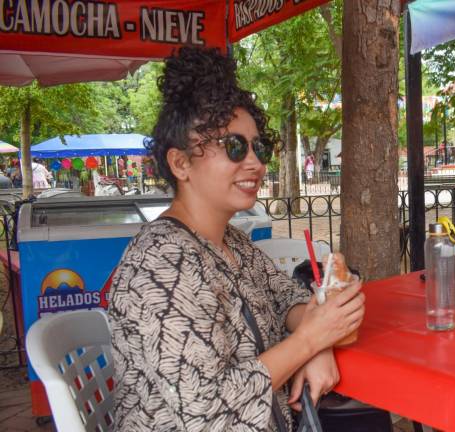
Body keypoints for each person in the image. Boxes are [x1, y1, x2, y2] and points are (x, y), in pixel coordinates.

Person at [108, 47, 365, 431]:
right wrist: (310, 342)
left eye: (258, 147)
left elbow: (284, 300)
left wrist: (324, 323)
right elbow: (206, 414)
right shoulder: (160, 262)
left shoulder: (232, 242)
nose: (256, 163)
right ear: (180, 163)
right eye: (234, 147)